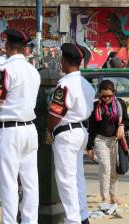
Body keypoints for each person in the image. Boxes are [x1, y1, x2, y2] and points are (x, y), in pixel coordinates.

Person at [0, 29, 40, 223]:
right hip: (30, 129)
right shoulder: (33, 71)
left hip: (10, 131)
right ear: (23, 49)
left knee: (8, 183)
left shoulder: (6, 70)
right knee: (30, 183)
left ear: (7, 47)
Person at [48, 43, 95, 224]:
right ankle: (82, 216)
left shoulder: (65, 84)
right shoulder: (86, 85)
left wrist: (49, 129)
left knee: (66, 181)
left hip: (66, 134)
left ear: (65, 60)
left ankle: (73, 220)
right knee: (77, 178)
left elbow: (55, 113)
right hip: (80, 131)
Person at [86, 80, 129, 204]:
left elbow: (126, 121)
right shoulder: (95, 107)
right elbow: (92, 128)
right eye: (103, 96)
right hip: (100, 140)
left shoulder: (120, 104)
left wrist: (122, 126)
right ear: (99, 94)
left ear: (114, 93)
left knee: (114, 170)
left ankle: (113, 195)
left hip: (115, 140)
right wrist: (89, 147)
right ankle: (104, 197)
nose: (106, 98)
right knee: (105, 167)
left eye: (109, 96)